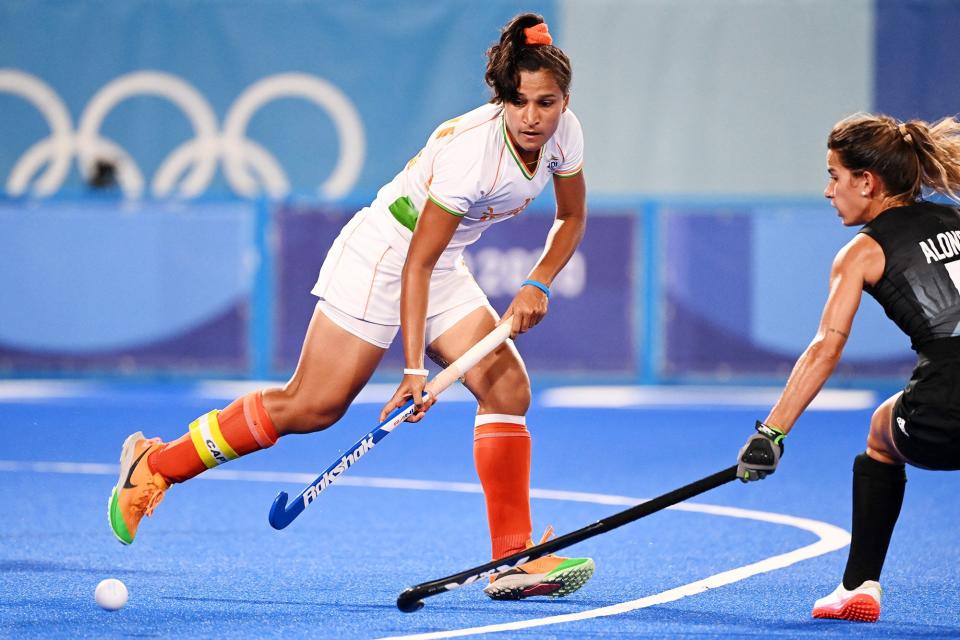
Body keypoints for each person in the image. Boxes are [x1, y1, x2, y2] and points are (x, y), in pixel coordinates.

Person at [107, 13, 595, 602]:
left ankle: (512, 559)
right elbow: (412, 262)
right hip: (385, 255)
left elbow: (571, 216)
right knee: (313, 406)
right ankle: (158, 464)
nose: (533, 117)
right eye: (519, 103)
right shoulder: (473, 153)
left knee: (508, 390)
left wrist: (538, 281)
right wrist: (414, 372)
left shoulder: (564, 133)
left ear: (563, 100)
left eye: (546, 103)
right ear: (502, 98)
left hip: (441, 263)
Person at [736, 112, 960, 622]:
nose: (827, 191)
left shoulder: (861, 252)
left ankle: (859, 585)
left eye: (834, 176)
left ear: (867, 182)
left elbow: (824, 349)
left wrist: (771, 434)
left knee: (882, 433)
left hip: (946, 411)